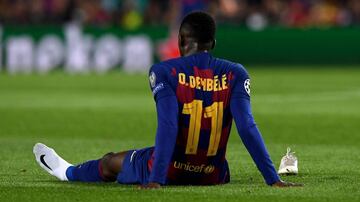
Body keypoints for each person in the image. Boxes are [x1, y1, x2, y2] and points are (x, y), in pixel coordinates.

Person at [33, 11, 301, 189]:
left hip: (170, 170)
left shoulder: (164, 71)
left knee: (110, 161)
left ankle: (67, 172)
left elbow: (170, 125)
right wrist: (272, 179)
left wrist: (157, 179)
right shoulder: (236, 73)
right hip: (214, 175)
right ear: (214, 42)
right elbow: (246, 126)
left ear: (181, 40)